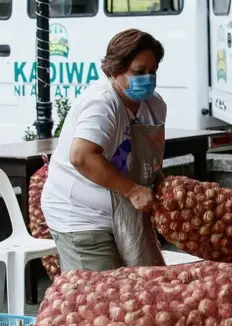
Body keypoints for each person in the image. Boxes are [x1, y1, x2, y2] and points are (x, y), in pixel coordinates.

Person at [41, 29, 167, 271]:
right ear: (115, 70)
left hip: (125, 211)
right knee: (98, 294)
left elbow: (149, 153)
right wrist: (132, 190)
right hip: (81, 214)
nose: (148, 79)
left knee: (144, 286)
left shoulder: (155, 105)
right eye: (139, 72)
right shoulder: (102, 102)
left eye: (153, 72)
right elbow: (82, 157)